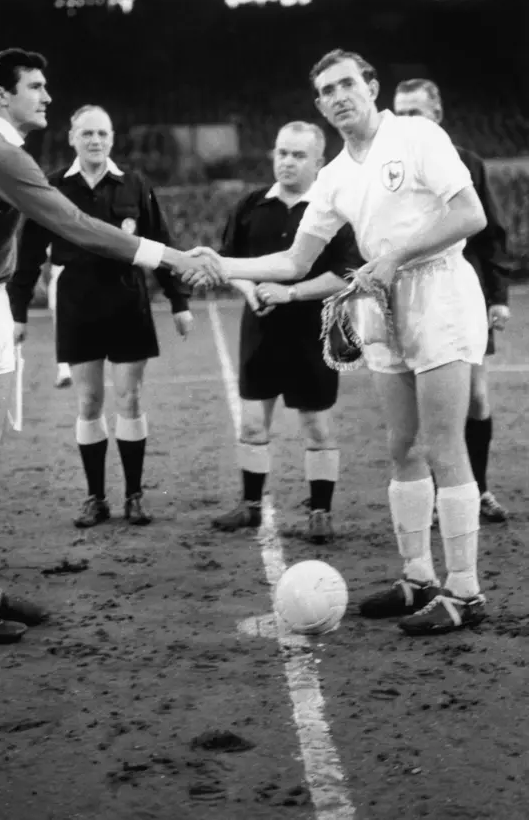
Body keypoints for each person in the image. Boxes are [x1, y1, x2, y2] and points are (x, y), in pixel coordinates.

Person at [0, 48, 220, 648]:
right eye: (35, 86)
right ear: (3, 95)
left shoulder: (6, 153)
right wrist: (171, 256)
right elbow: (74, 224)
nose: (46, 96)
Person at [191, 49, 490, 636]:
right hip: (383, 302)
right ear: (320, 105)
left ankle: (467, 592)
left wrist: (395, 256)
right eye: (327, 91)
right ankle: (418, 577)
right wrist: (222, 263)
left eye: (348, 83)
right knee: (402, 445)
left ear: (371, 86)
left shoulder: (417, 135)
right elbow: (296, 259)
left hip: (440, 294)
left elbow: (470, 214)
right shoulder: (333, 177)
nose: (339, 96)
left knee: (442, 446)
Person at [8, 104, 193, 529]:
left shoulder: (135, 185)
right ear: (72, 137)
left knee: (130, 398)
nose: (95, 140)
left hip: (127, 300)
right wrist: (17, 311)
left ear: (112, 138)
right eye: (87, 133)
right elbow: (30, 253)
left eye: (102, 133)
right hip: (78, 304)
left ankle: (134, 496)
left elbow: (159, 242)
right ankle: (95, 499)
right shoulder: (52, 188)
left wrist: (178, 302)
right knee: (89, 401)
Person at [210, 121, 363, 543]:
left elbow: (345, 276)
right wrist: (249, 291)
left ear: (318, 161)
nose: (287, 162)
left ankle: (319, 512)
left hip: (312, 334)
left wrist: (290, 292)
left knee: (316, 427)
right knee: (253, 425)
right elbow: (229, 261)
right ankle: (250, 506)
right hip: (260, 332)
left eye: (298, 155)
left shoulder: (333, 213)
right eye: (282, 153)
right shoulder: (250, 205)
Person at [393, 79, 511, 522]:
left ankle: (477, 490)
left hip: (464, 294)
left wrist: (497, 296)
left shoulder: (467, 164)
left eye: (416, 113)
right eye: (399, 113)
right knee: (423, 408)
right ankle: (443, 496)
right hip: (410, 301)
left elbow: (490, 234)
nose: (406, 123)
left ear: (437, 116)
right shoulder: (391, 171)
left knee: (477, 398)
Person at [47, 256, 72, 388]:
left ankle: (64, 370)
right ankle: (64, 369)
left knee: (61, 330)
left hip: (61, 279)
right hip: (61, 279)